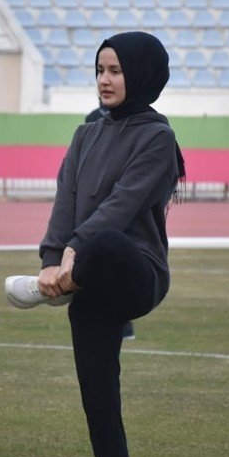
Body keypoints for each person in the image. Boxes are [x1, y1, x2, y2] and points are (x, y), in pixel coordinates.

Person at [5, 32, 184, 457]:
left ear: (142, 75)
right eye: (100, 69)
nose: (105, 80)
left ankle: (56, 289)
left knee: (104, 236)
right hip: (84, 279)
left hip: (136, 273)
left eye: (116, 70)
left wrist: (71, 256)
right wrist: (48, 260)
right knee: (98, 397)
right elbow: (66, 201)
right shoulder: (86, 134)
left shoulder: (158, 137)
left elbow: (121, 205)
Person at [83, 105, 135, 342]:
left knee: (112, 267)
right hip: (108, 202)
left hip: (114, 201)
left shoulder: (137, 120)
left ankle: (122, 325)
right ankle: (120, 325)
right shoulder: (93, 120)